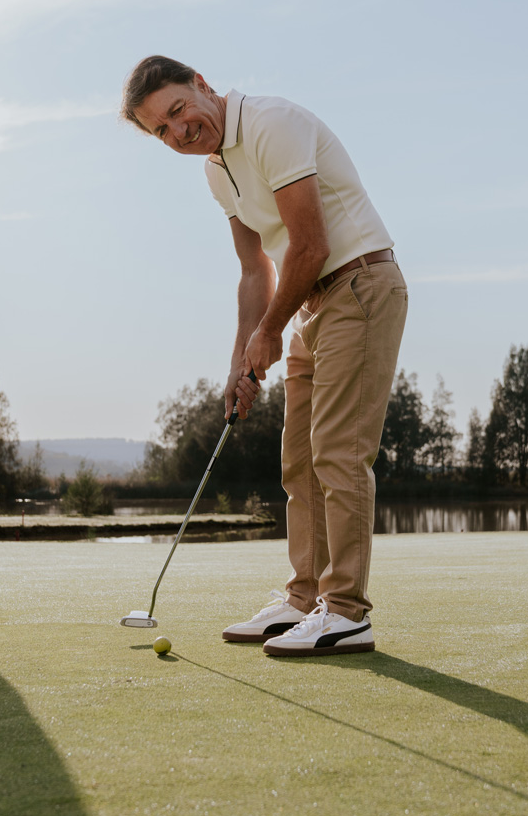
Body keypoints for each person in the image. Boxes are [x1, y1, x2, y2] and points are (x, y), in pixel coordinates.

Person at [124, 56, 408, 657]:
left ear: (202, 84)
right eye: (162, 131)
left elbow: (309, 245)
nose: (179, 132)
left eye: (178, 111)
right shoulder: (215, 170)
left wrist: (269, 332)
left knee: (338, 454)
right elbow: (255, 268)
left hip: (358, 285)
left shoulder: (271, 123)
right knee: (299, 463)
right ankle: (304, 600)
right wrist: (238, 362)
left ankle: (348, 612)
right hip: (309, 303)